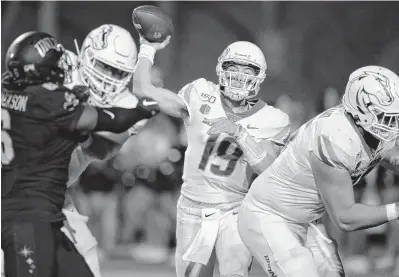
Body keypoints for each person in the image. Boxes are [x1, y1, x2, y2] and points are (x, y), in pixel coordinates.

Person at [132, 21, 292, 276]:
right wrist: (147, 49)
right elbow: (143, 90)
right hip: (192, 207)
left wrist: (239, 133)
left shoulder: (273, 119)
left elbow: (269, 169)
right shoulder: (199, 93)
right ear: (221, 69)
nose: (238, 77)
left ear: (258, 77)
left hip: (235, 210)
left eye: (246, 71)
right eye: (233, 69)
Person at [237, 65, 399, 277]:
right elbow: (345, 217)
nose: (394, 125)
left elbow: (395, 157)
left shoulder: (366, 128)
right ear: (363, 111)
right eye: (386, 117)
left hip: (304, 220)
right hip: (269, 216)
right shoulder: (334, 139)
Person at [1, 31, 159, 277]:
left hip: (49, 200)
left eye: (116, 72)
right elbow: (107, 129)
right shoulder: (55, 90)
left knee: (84, 263)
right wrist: (140, 113)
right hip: (24, 204)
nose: (108, 79)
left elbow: (99, 149)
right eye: (103, 67)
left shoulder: (13, 84)